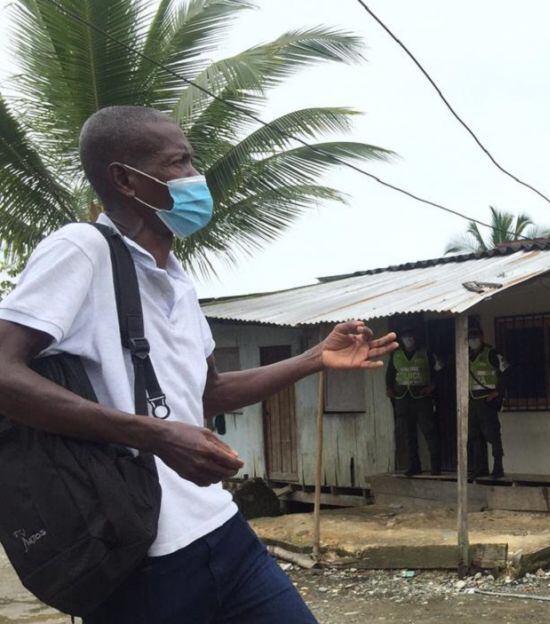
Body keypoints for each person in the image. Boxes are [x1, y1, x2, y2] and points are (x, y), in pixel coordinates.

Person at [0, 105, 397, 624]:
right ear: (125, 179)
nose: (196, 178)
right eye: (179, 162)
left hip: (221, 531)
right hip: (139, 554)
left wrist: (313, 358)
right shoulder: (82, 250)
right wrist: (156, 435)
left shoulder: (177, 277)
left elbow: (208, 393)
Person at [385, 323, 443, 476]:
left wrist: (433, 386)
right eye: (405, 337)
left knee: (429, 431)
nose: (408, 339)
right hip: (403, 398)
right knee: (408, 434)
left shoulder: (426, 353)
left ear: (415, 338)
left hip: (422, 397)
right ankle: (414, 465)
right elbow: (390, 374)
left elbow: (440, 371)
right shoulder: (396, 355)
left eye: (410, 336)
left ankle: (436, 466)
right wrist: (389, 389)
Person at [467, 324, 509, 479]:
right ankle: (480, 468)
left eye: (476, 336)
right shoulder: (467, 355)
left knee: (493, 435)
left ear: (482, 337)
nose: (473, 340)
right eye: (470, 337)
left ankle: (498, 467)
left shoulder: (492, 353)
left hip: (487, 401)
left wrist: (498, 392)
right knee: (475, 436)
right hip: (472, 401)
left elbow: (507, 372)